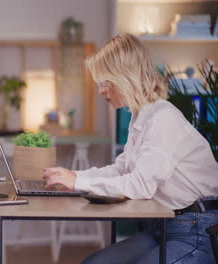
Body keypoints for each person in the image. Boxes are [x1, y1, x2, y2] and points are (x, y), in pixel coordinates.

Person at [43, 33, 218, 263]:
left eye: (105, 82)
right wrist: (75, 176)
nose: (101, 91)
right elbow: (123, 170)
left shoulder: (163, 118)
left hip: (194, 233)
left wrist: (78, 182)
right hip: (163, 228)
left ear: (125, 76)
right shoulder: (141, 116)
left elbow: (140, 185)